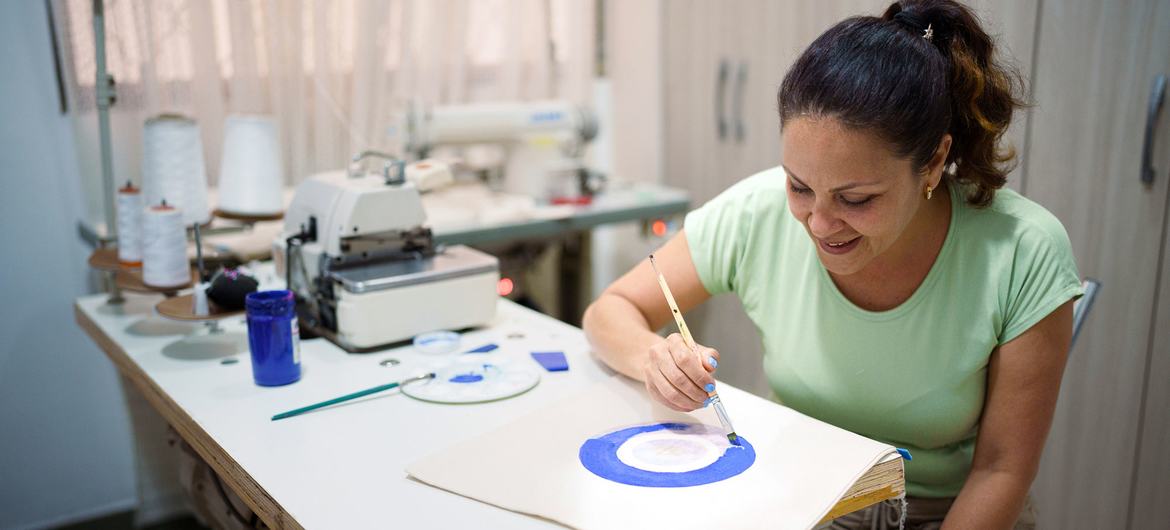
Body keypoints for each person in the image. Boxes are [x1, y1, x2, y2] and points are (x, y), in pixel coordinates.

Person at [582, 1, 1084, 528]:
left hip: (940, 513)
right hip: (797, 495)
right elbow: (611, 310)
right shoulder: (757, 213)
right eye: (799, 186)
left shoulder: (1023, 251)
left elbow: (1002, 471)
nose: (819, 224)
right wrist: (654, 358)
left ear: (934, 161)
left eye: (856, 199)